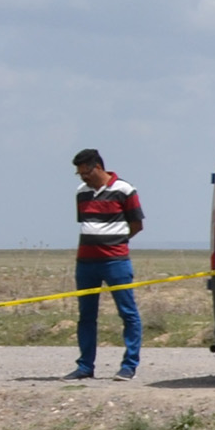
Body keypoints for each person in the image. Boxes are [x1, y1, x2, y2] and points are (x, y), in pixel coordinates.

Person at [69, 148, 144, 382]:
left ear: (98, 167)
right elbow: (87, 224)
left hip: (115, 262)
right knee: (86, 316)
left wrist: (116, 243)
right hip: (86, 263)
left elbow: (136, 224)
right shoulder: (81, 193)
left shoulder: (124, 190)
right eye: (79, 173)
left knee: (128, 313)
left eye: (86, 172)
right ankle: (85, 366)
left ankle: (129, 365)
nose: (83, 177)